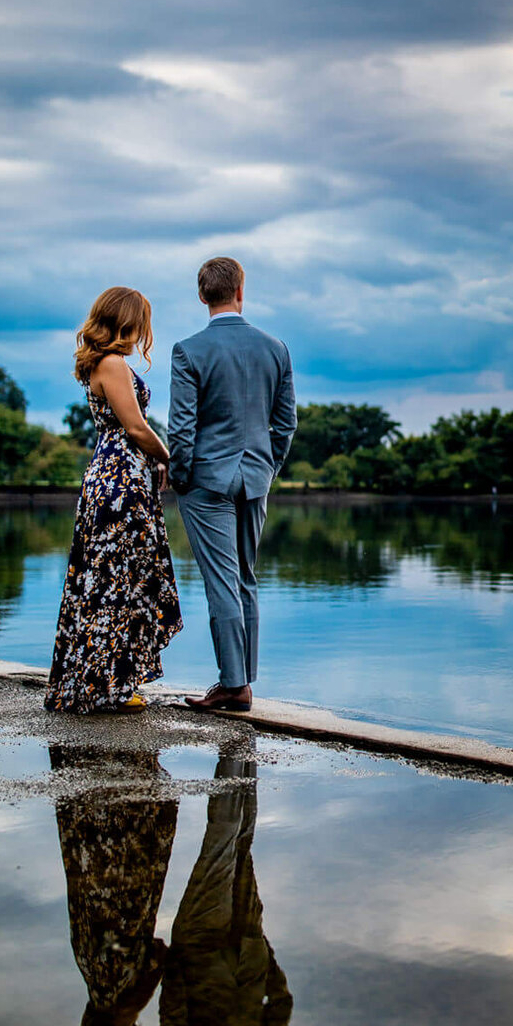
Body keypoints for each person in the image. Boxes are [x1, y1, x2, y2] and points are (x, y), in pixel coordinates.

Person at [166, 257, 295, 713]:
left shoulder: (188, 350)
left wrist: (181, 478)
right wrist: (266, 468)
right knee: (245, 579)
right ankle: (243, 680)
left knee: (222, 581)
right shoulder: (276, 348)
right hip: (255, 478)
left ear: (202, 296)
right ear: (241, 290)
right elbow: (286, 424)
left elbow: (180, 429)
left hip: (206, 482)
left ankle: (234, 685)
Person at [47, 287, 184, 713]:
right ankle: (107, 686)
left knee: (110, 580)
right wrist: (172, 458)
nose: (146, 330)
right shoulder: (112, 363)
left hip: (112, 476)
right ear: (128, 320)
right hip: (119, 482)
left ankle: (102, 682)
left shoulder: (100, 363)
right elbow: (137, 428)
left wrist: (154, 463)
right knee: (116, 583)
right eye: (142, 320)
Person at [161, 749, 291, 1026]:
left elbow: (281, 1009)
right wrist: (174, 965)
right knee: (219, 847)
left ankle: (245, 760)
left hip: (249, 959)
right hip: (198, 955)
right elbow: (174, 1023)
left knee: (241, 847)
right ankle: (233, 756)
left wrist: (266, 958)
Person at [50, 743, 179, 1026]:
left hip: (117, 967)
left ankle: (119, 771)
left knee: (125, 862)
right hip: (99, 963)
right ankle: (103, 783)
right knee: (98, 878)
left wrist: (158, 970)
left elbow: (121, 1014)